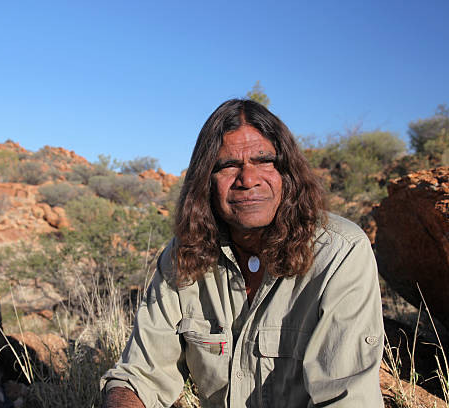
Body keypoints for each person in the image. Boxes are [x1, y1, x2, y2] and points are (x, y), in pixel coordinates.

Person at [100, 99, 384, 407]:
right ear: (206, 181)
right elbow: (138, 377)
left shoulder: (340, 253)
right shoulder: (184, 256)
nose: (248, 180)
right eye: (228, 166)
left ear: (287, 172)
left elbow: (346, 399)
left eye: (263, 161)